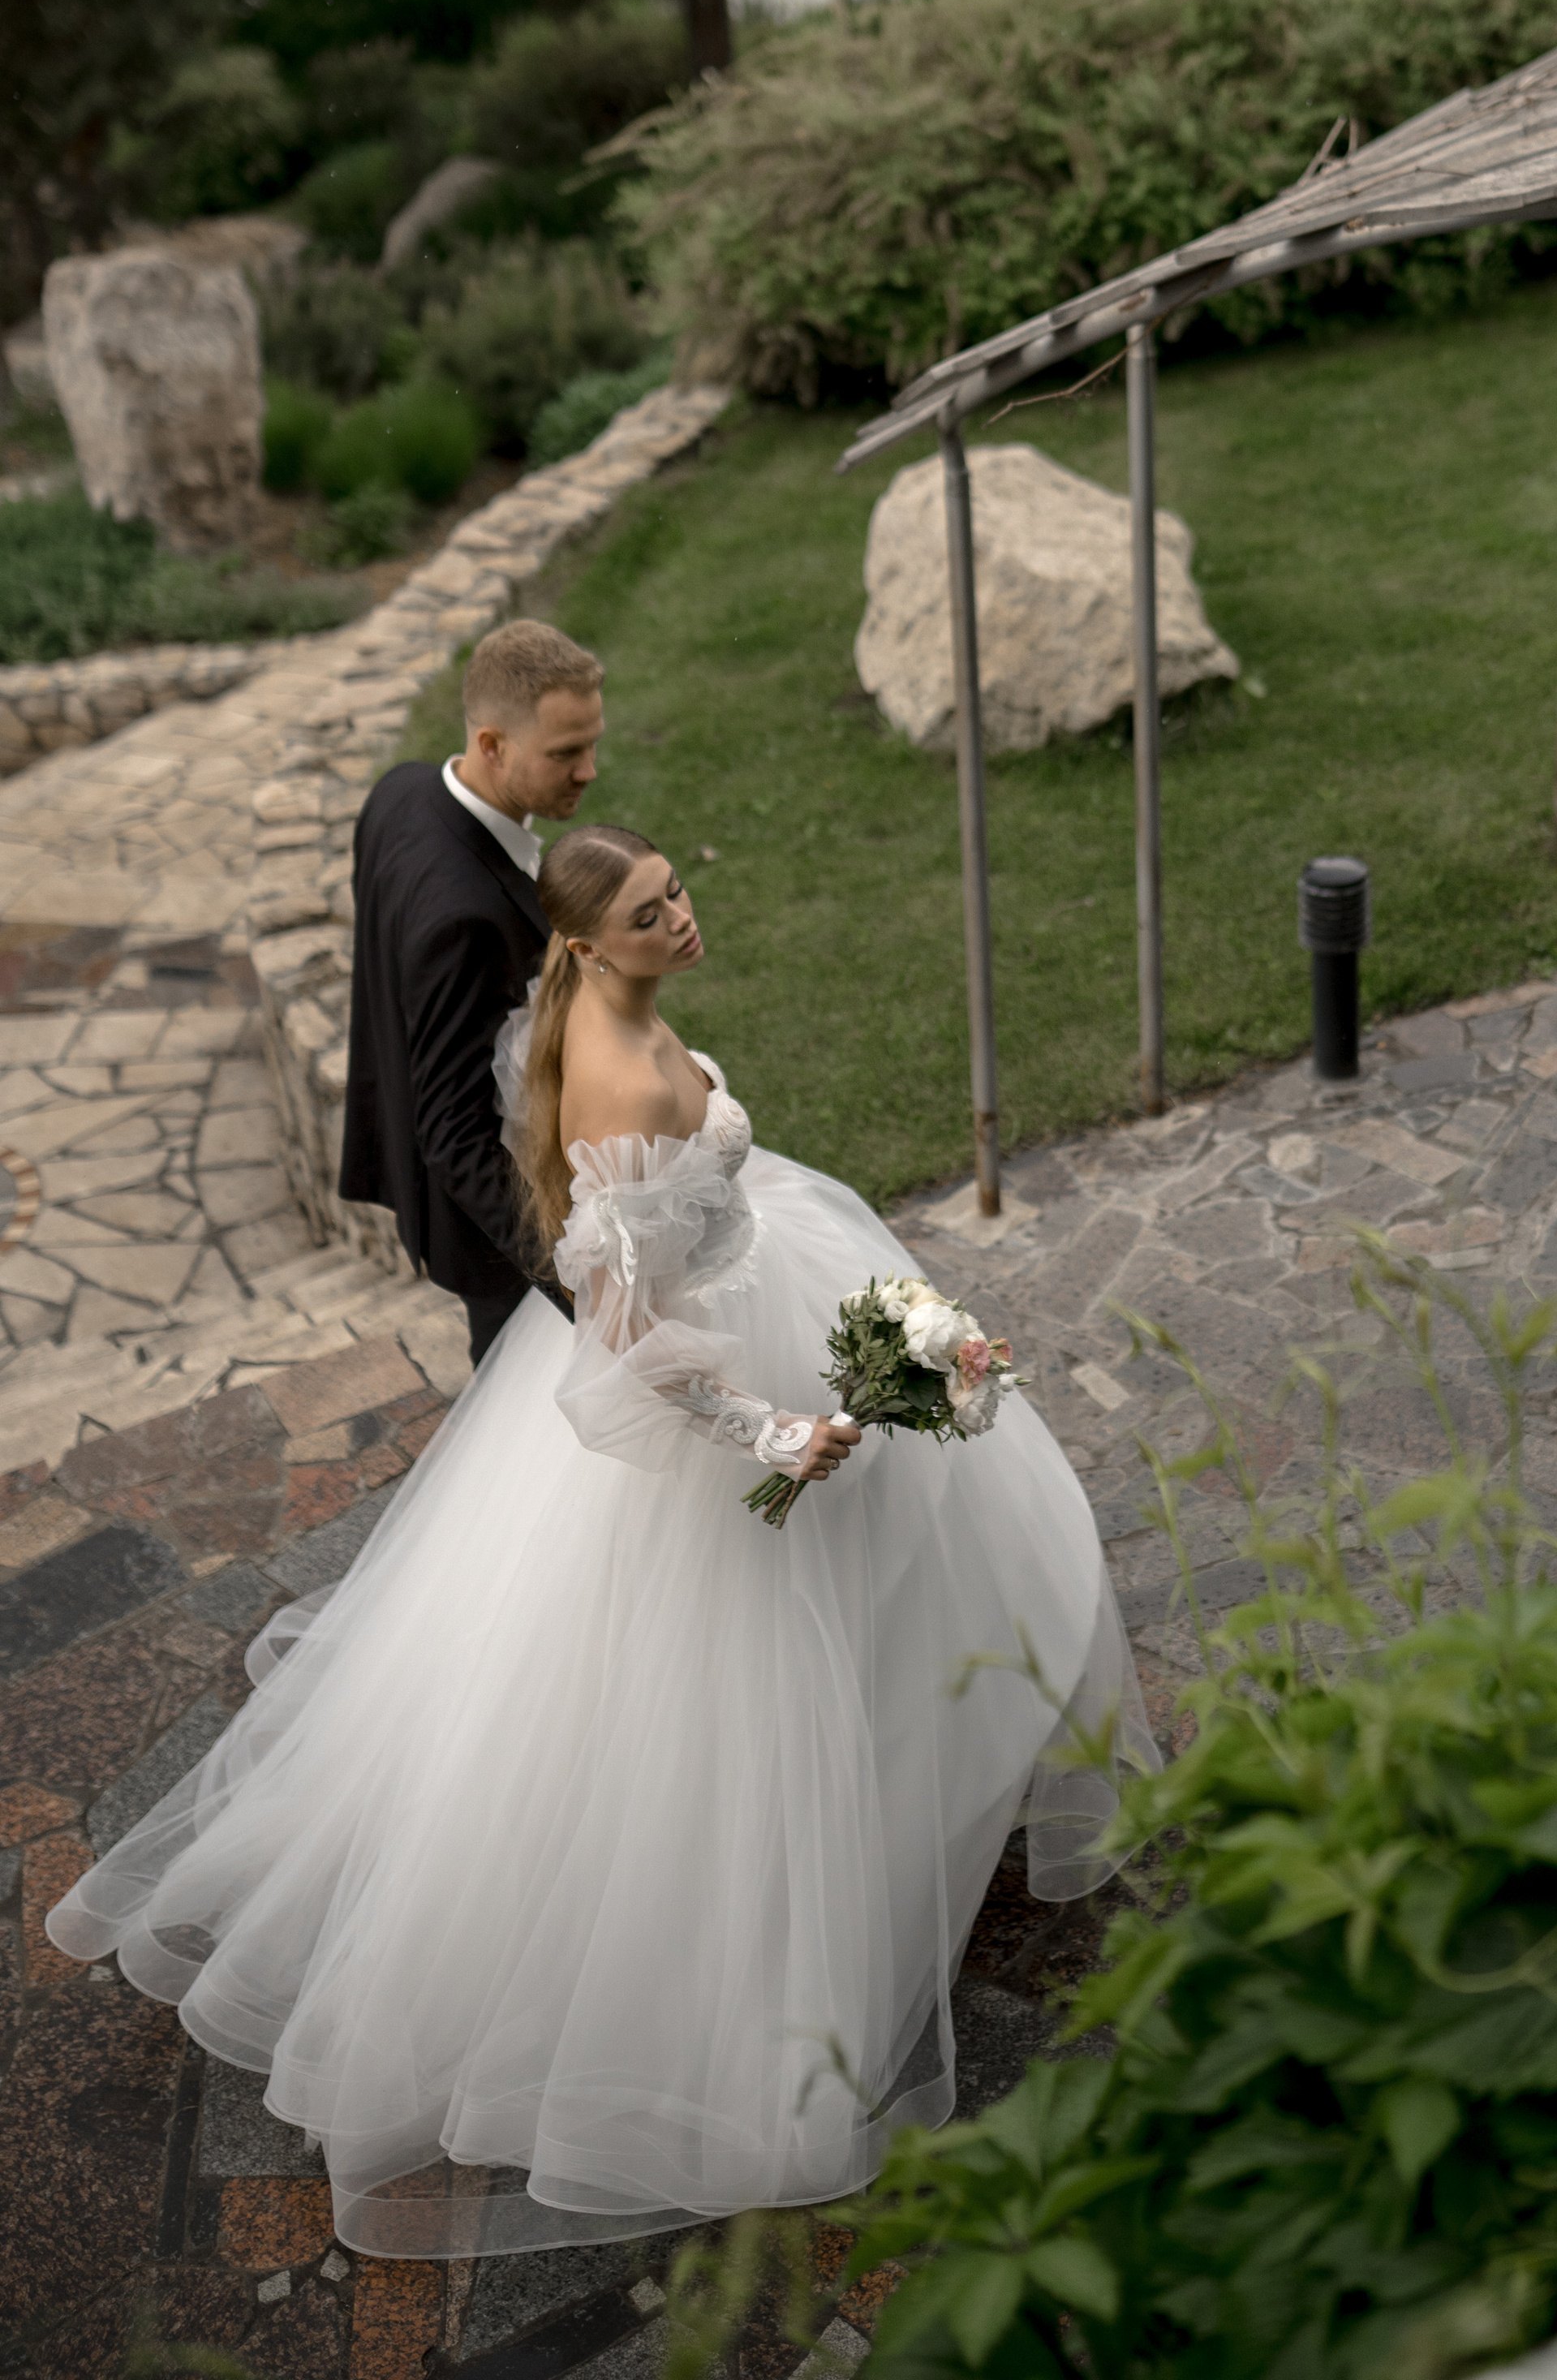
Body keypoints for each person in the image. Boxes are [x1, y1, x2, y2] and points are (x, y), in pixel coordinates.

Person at [46, 822, 1151, 2261]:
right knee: (730, 1702)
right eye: (651, 911)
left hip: (771, 1279)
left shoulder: (608, 1014)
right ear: (583, 942)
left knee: (935, 1551)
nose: (683, 917)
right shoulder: (618, 1085)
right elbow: (622, 1347)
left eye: (678, 889)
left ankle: (924, 1800)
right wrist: (770, 1434)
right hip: (715, 1391)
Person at [341, 619, 605, 1364]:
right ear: (492, 744)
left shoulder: (401, 793)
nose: (589, 770)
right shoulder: (466, 917)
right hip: (500, 1248)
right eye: (565, 753)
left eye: (591, 743)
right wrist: (577, 1285)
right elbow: (455, 1136)